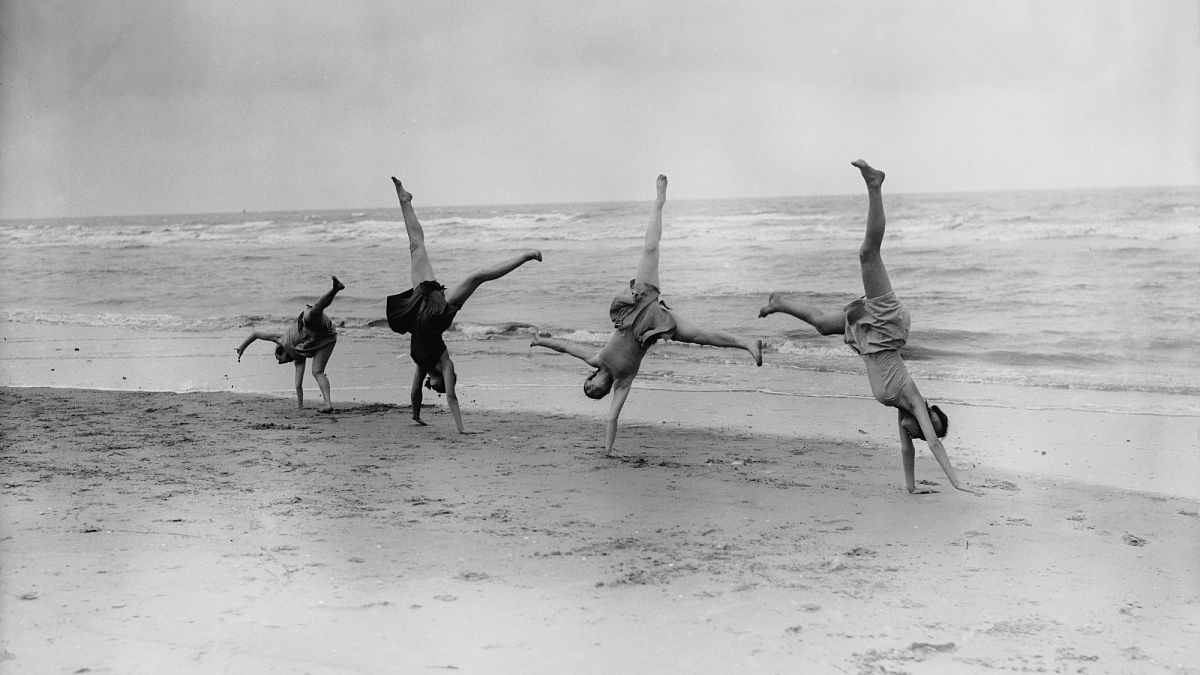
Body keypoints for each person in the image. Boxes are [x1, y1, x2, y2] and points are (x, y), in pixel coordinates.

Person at [759, 160, 978, 495]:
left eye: (922, 431)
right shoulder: (913, 398)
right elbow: (934, 444)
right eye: (927, 424)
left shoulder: (900, 412)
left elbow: (907, 450)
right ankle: (874, 184)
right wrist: (957, 483)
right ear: (928, 412)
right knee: (867, 254)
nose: (921, 430)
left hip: (870, 338)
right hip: (886, 329)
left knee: (822, 325)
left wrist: (912, 487)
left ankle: (780, 303)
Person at [531, 174, 762, 457]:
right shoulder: (622, 383)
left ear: (592, 377)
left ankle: (659, 200)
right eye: (594, 394)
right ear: (604, 391)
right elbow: (612, 418)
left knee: (650, 247)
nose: (592, 390)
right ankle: (748, 343)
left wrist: (540, 341)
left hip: (637, 305)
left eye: (588, 387)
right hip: (655, 324)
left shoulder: (597, 359)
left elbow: (566, 347)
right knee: (701, 337)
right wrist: (608, 452)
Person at [387, 177, 541, 433]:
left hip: (418, 306)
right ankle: (525, 256)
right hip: (438, 312)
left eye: (434, 389)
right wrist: (461, 429)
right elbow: (451, 397)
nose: (437, 390)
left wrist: (416, 416)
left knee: (415, 246)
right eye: (440, 388)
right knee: (476, 277)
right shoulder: (446, 364)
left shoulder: (422, 366)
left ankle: (405, 200)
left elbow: (415, 392)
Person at [236, 276, 344, 412]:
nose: (280, 362)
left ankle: (335, 289)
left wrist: (242, 347)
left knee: (314, 311)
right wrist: (300, 406)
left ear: (281, 349)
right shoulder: (299, 360)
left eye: (278, 358)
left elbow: (255, 334)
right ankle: (328, 404)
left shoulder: (281, 339)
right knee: (317, 371)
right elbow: (298, 385)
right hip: (327, 337)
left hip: (310, 326)